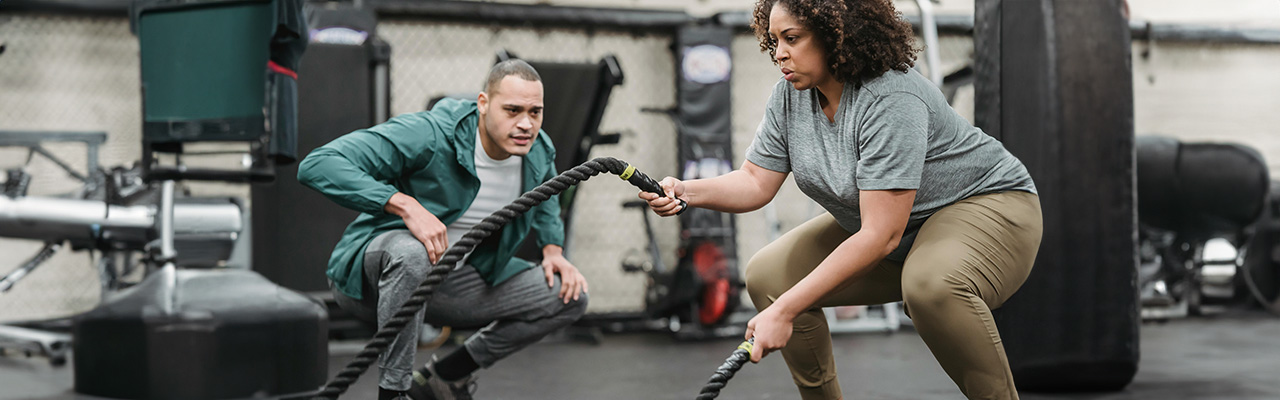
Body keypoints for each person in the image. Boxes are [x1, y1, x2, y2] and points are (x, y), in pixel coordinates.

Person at [640, 1, 1042, 399]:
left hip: (990, 208)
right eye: (774, 40)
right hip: (895, 228)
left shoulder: (890, 96)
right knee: (770, 277)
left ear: (837, 34)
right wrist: (685, 192)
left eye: (792, 38)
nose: (779, 52)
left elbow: (880, 235)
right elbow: (754, 181)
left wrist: (783, 312)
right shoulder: (790, 96)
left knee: (930, 286)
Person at [298, 60, 589, 400]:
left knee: (569, 295)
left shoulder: (537, 149)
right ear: (483, 103)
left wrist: (553, 251)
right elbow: (318, 163)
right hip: (372, 283)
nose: (525, 124)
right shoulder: (430, 134)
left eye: (535, 112)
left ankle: (444, 378)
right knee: (412, 253)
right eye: (512, 110)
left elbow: (547, 196)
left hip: (451, 281)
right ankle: (393, 393)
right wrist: (404, 204)